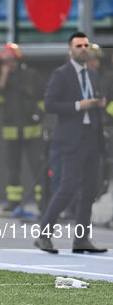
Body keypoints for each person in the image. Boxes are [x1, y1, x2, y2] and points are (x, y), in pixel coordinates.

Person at [34, 32, 108, 254]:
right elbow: (50, 104)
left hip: (91, 138)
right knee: (67, 189)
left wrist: (98, 104)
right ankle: (44, 236)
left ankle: (81, 239)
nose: (83, 49)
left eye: (86, 45)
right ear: (70, 50)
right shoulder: (61, 74)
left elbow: (91, 101)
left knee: (89, 192)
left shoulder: (93, 74)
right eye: (79, 45)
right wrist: (79, 105)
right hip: (70, 140)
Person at [0, 43, 45, 212]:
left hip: (33, 132)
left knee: (38, 167)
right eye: (6, 61)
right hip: (12, 133)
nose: (10, 64)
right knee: (13, 169)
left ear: (18, 59)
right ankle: (14, 202)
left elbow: (44, 99)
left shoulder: (32, 76)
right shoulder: (0, 80)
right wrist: (3, 78)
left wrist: (39, 114)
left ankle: (43, 201)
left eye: (12, 60)